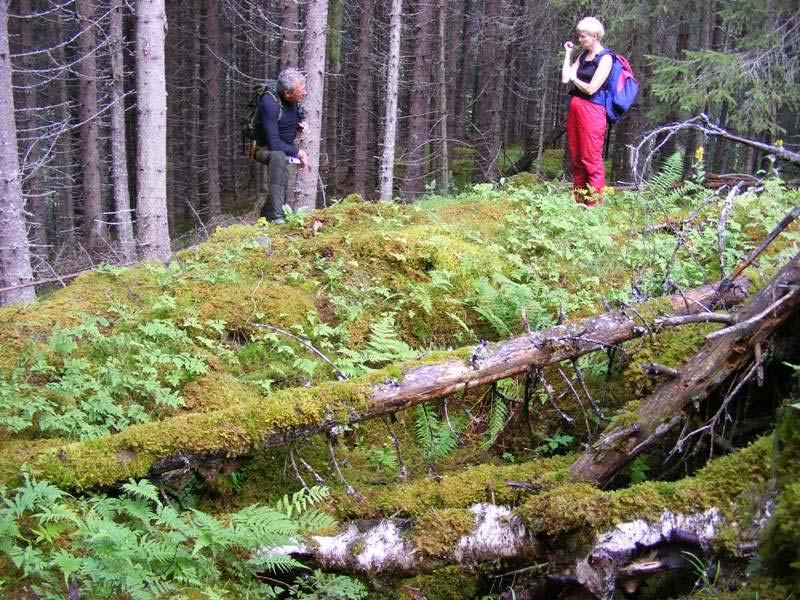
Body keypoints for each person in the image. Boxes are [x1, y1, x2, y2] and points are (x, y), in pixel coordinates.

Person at [562, 17, 613, 206]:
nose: (580, 40)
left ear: (595, 36)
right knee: (577, 158)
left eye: (583, 36)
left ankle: (593, 206)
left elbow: (592, 88)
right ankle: (580, 203)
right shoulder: (582, 56)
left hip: (593, 111)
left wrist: (574, 78)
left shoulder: (606, 58)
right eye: (579, 36)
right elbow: (565, 78)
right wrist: (568, 54)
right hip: (576, 110)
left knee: (590, 159)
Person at [253, 67, 308, 223]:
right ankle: (278, 218)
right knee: (279, 157)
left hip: (283, 147)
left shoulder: (293, 98)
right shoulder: (269, 102)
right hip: (264, 148)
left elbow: (292, 115)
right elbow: (274, 143)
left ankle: (264, 218)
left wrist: (301, 124)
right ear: (287, 94)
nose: (305, 93)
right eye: (301, 91)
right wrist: (298, 152)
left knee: (281, 180)